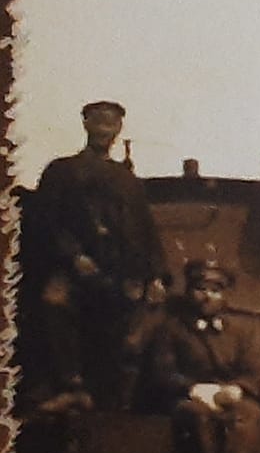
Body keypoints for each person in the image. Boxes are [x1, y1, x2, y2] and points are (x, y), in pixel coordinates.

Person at [23, 100, 162, 412]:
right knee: (54, 301)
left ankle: (113, 394)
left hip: (117, 270)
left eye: (111, 124)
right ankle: (68, 384)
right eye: (97, 122)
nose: (104, 130)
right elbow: (45, 220)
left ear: (119, 129)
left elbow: (145, 229)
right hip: (73, 266)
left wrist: (153, 274)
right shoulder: (62, 170)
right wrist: (73, 256)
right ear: (85, 123)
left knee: (135, 320)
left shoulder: (128, 181)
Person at [139, 257, 260, 453]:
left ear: (224, 296)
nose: (207, 296)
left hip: (229, 396)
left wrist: (238, 389)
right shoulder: (171, 330)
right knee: (195, 414)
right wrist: (197, 390)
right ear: (188, 292)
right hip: (187, 395)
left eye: (216, 290)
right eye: (200, 289)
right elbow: (162, 373)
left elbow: (254, 372)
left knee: (251, 412)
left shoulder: (241, 332)